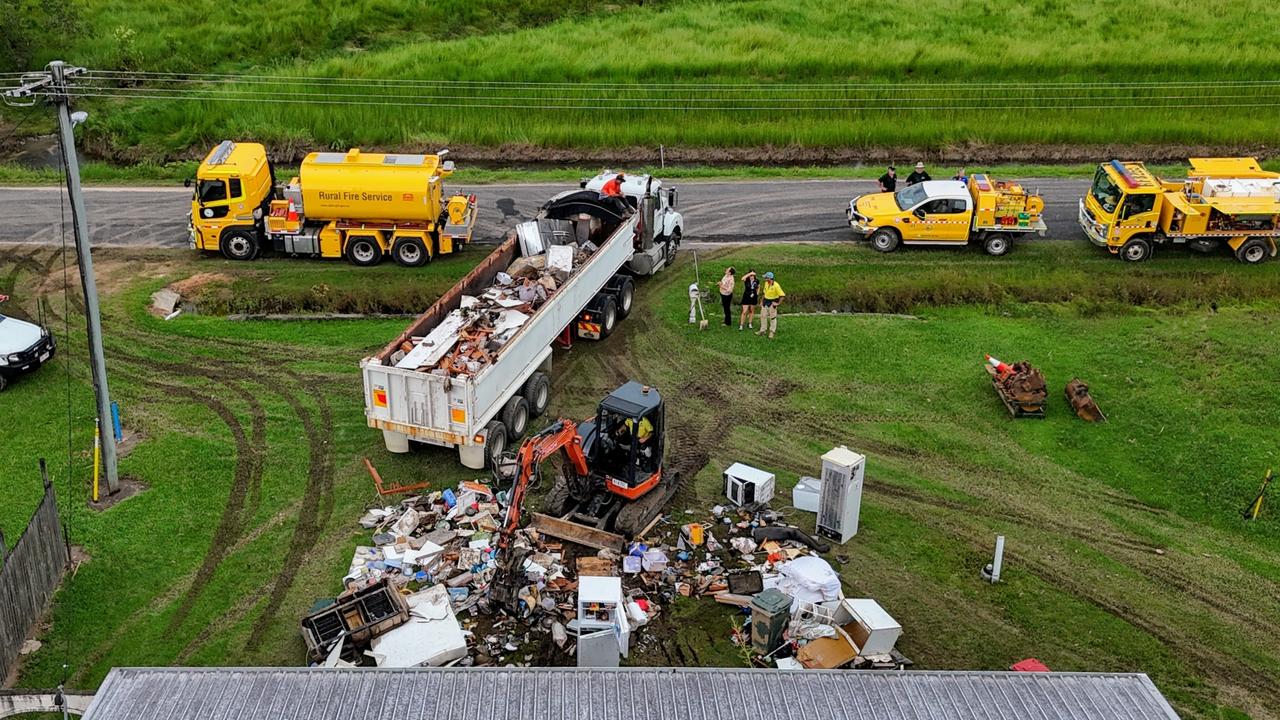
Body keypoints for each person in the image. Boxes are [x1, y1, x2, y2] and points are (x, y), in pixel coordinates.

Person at [756, 271, 785, 339]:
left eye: (765, 277)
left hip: (772, 303)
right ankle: (763, 330)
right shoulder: (766, 283)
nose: (765, 279)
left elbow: (782, 295)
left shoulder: (776, 285)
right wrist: (761, 301)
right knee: (763, 316)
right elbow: (764, 293)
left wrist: (778, 303)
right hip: (765, 302)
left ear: (769, 278)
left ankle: (772, 331)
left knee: (772, 318)